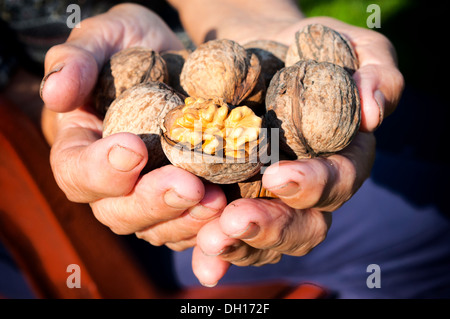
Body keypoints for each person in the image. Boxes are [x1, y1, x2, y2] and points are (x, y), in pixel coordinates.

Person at [8, 1, 450, 298]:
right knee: (436, 226)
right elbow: (24, 92)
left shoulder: (261, 97)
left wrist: (249, 13)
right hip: (58, 212)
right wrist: (56, 112)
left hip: (194, 63)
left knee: (431, 132)